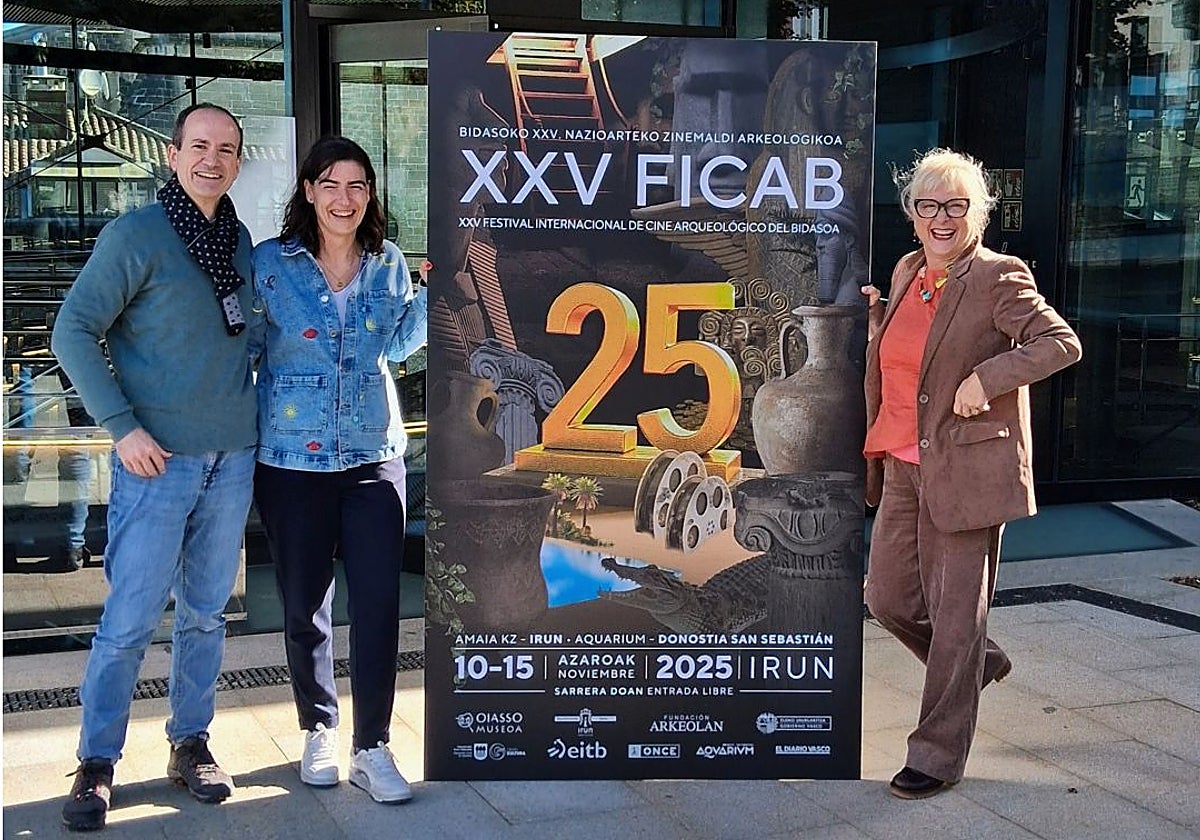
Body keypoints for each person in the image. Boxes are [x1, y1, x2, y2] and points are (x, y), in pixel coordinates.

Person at [51, 102, 257, 831]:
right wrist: (122, 427)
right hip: (156, 463)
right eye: (198, 146)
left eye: (225, 149)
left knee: (205, 615)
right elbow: (72, 330)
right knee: (130, 620)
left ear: (238, 161)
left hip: (232, 457)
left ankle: (189, 743)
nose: (211, 159)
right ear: (172, 155)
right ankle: (96, 760)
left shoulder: (239, 241)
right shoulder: (136, 234)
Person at [859, 148, 1081, 800]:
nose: (942, 218)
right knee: (887, 599)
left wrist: (988, 378)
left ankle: (936, 753)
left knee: (956, 615)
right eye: (928, 205)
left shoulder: (997, 277)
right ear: (912, 214)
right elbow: (915, 358)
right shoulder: (908, 271)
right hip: (901, 463)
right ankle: (976, 664)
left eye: (956, 205)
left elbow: (1059, 342)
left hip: (965, 470)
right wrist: (877, 325)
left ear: (977, 215)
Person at [249, 136, 426, 804]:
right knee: (305, 603)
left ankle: (371, 746)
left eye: (356, 186)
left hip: (373, 458)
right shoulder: (270, 263)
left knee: (378, 603)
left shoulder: (388, 262)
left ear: (369, 195)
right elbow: (248, 347)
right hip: (291, 460)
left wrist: (431, 299)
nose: (343, 199)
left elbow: (398, 345)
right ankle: (318, 726)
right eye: (330, 184)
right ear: (308, 191)